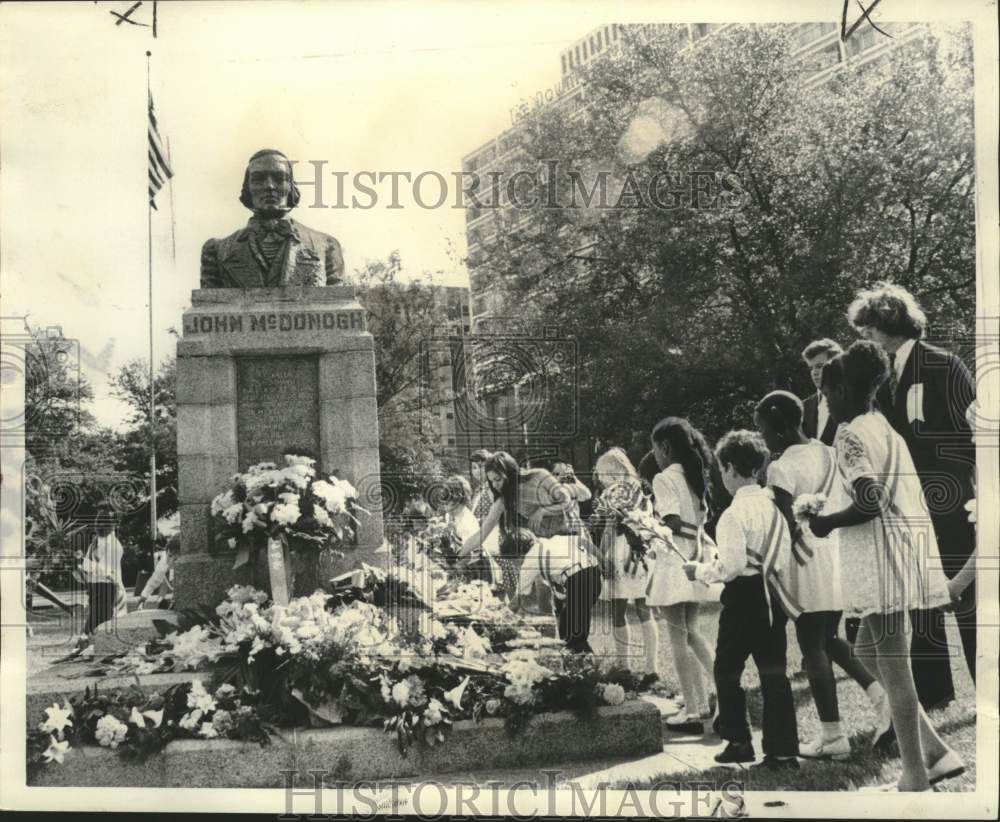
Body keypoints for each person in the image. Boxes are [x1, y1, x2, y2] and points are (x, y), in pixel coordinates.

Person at [808, 341, 963, 791]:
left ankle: (915, 774)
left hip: (881, 560)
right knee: (865, 653)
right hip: (896, 552)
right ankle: (936, 751)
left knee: (896, 670)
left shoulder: (850, 433)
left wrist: (825, 521)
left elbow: (870, 500)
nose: (826, 403)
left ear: (841, 390)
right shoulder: (883, 425)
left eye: (829, 393)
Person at [848, 282, 976, 707]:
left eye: (867, 327)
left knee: (968, 599)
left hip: (951, 501)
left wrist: (957, 488)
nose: (864, 336)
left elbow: (972, 435)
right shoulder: (878, 380)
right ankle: (935, 692)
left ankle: (988, 690)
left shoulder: (945, 364)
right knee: (920, 599)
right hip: (907, 507)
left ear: (888, 322)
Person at [755, 390, 891, 760]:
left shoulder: (780, 468)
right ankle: (882, 700)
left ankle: (834, 736)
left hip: (804, 560)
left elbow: (784, 525)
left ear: (780, 428)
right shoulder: (828, 451)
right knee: (830, 638)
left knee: (812, 644)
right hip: (832, 552)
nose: (763, 438)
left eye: (764, 429)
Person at [682, 430, 799, 771]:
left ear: (731, 468)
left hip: (745, 596)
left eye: (721, 470)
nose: (721, 477)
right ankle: (782, 750)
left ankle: (738, 740)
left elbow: (731, 566)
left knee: (727, 669)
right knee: (775, 673)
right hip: (773, 595)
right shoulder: (774, 506)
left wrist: (701, 571)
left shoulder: (733, 514)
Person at [647, 417, 721, 735]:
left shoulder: (664, 478)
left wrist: (647, 527)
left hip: (675, 558)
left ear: (665, 447)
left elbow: (672, 521)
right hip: (696, 555)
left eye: (656, 449)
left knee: (678, 637)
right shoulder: (694, 475)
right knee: (692, 632)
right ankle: (710, 698)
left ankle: (691, 710)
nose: (656, 456)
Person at [200, 149, 345, 288]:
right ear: (248, 188)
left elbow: (339, 303)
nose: (269, 186)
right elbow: (207, 305)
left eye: (279, 179)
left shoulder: (326, 246)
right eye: (258, 179)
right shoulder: (217, 250)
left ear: (291, 187)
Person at [592, 448, 661, 686]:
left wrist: (603, 556)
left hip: (623, 551)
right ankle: (652, 669)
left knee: (618, 609)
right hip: (643, 550)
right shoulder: (639, 489)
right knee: (644, 608)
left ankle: (625, 666)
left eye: (604, 474)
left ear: (617, 470)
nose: (602, 479)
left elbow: (610, 528)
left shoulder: (616, 491)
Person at [511, 530, 602, 654]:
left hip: (578, 580)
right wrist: (604, 560)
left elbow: (518, 599)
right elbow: (583, 541)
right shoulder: (555, 539)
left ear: (519, 554)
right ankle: (580, 660)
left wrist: (502, 618)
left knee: (574, 637)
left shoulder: (530, 559)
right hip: (593, 575)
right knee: (567, 626)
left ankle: (584, 663)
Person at [442, 475, 500, 586]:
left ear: (458, 500)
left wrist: (454, 567)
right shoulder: (452, 515)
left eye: (448, 501)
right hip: (464, 563)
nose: (445, 506)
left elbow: (473, 553)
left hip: (476, 566)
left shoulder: (466, 521)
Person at [78, 510, 127, 639]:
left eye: (106, 521)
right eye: (98, 521)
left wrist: (81, 562)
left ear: (114, 524)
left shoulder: (115, 546)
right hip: (95, 590)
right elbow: (85, 574)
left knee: (100, 631)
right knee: (93, 633)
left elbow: (105, 570)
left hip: (109, 591)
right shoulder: (94, 543)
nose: (100, 524)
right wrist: (73, 566)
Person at [801, 339, 843, 446]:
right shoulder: (804, 406)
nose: (814, 372)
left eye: (819, 366)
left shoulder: (853, 401)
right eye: (811, 368)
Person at [138, 535, 179, 608]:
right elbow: (155, 579)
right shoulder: (164, 560)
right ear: (166, 552)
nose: (170, 560)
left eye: (175, 558)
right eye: (169, 555)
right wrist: (143, 598)